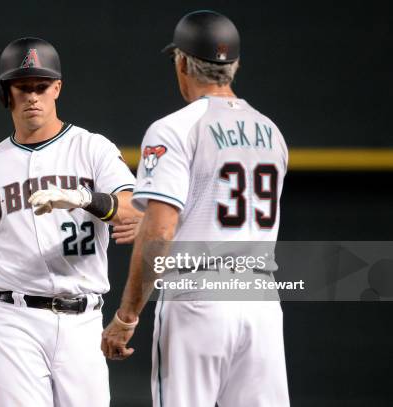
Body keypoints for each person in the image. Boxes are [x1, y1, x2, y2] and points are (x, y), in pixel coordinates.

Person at [0, 37, 141, 406]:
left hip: (82, 318)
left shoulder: (92, 148)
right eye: (22, 87)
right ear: (5, 93)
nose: (32, 96)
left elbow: (134, 208)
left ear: (57, 87)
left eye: (41, 86)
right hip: (12, 320)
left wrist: (85, 197)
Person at [101, 10, 290, 407]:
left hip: (198, 295)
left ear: (183, 62)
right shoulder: (272, 132)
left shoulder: (175, 128)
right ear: (233, 67)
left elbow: (160, 234)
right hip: (261, 300)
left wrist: (126, 317)